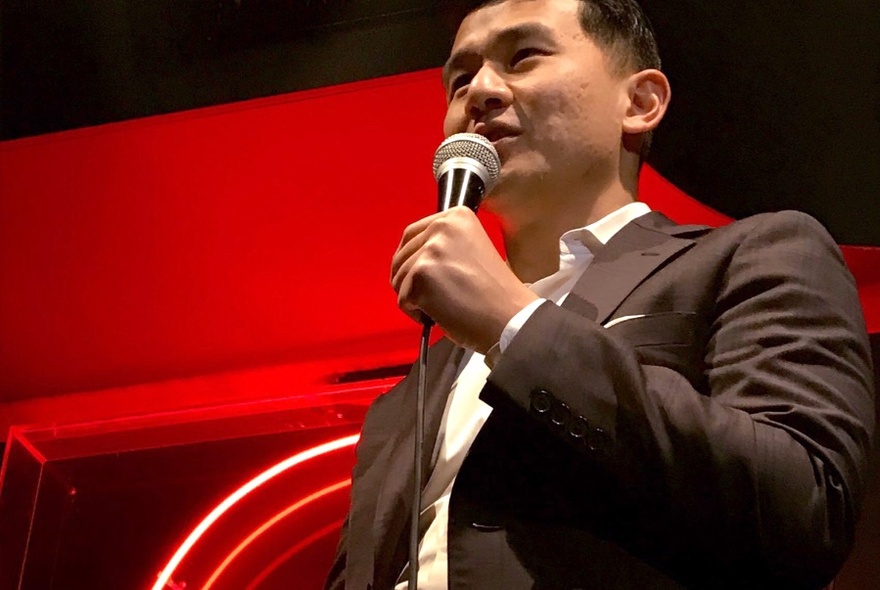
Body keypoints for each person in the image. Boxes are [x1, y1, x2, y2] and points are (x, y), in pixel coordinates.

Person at [325, 0, 876, 588]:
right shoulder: (407, 396)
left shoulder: (756, 254)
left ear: (639, 103)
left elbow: (806, 508)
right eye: (460, 78)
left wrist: (516, 323)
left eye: (524, 56)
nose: (480, 90)